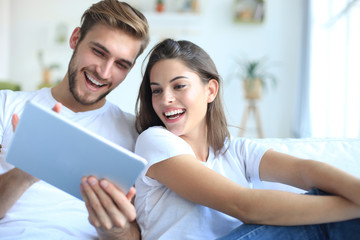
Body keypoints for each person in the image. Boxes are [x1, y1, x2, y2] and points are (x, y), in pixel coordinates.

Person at [130, 38, 360, 239]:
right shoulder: (154, 142)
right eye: (156, 90)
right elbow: (243, 205)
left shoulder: (235, 150)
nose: (165, 99)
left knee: (326, 195)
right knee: (328, 219)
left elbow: (305, 171)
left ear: (210, 90)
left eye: (178, 86)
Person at [0, 0, 149, 239]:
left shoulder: (136, 135)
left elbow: (136, 234)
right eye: (99, 52)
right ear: (75, 39)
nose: (104, 72)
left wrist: (115, 230)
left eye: (121, 64)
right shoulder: (6, 105)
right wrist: (24, 172)